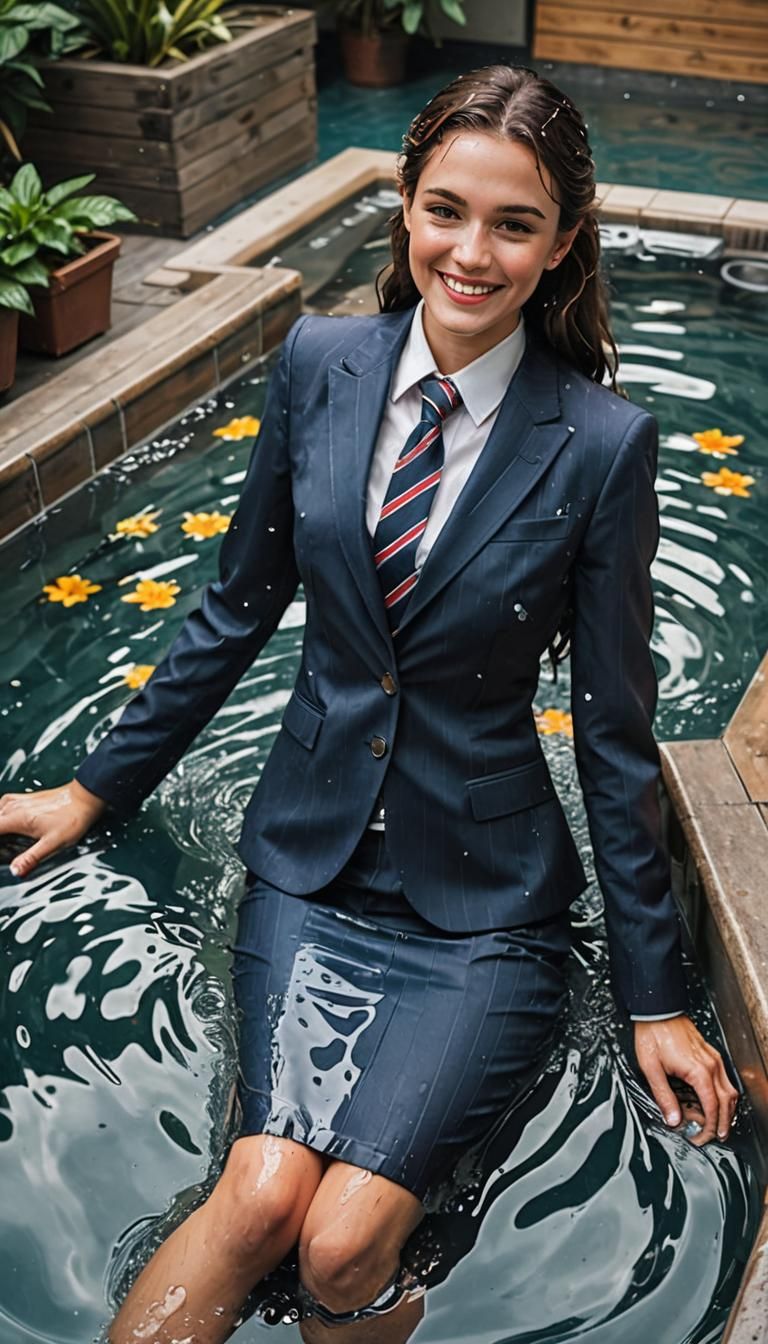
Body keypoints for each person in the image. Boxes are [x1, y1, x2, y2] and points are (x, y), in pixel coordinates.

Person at [0, 64, 738, 1344]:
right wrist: (94, 786)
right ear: (406, 206)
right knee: (259, 1194)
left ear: (564, 245)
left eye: (515, 223)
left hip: (486, 907)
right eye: (446, 209)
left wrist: (658, 995)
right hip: (309, 866)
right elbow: (233, 608)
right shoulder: (318, 364)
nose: (472, 250)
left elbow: (616, 733)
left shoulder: (603, 443)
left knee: (343, 1243)